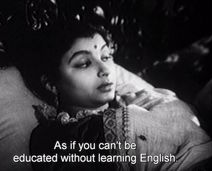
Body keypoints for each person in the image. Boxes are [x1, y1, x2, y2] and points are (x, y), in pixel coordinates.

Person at [30, 22, 212, 171]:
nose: (105, 71)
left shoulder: (132, 98)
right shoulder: (58, 139)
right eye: (84, 63)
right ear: (51, 84)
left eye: (106, 56)